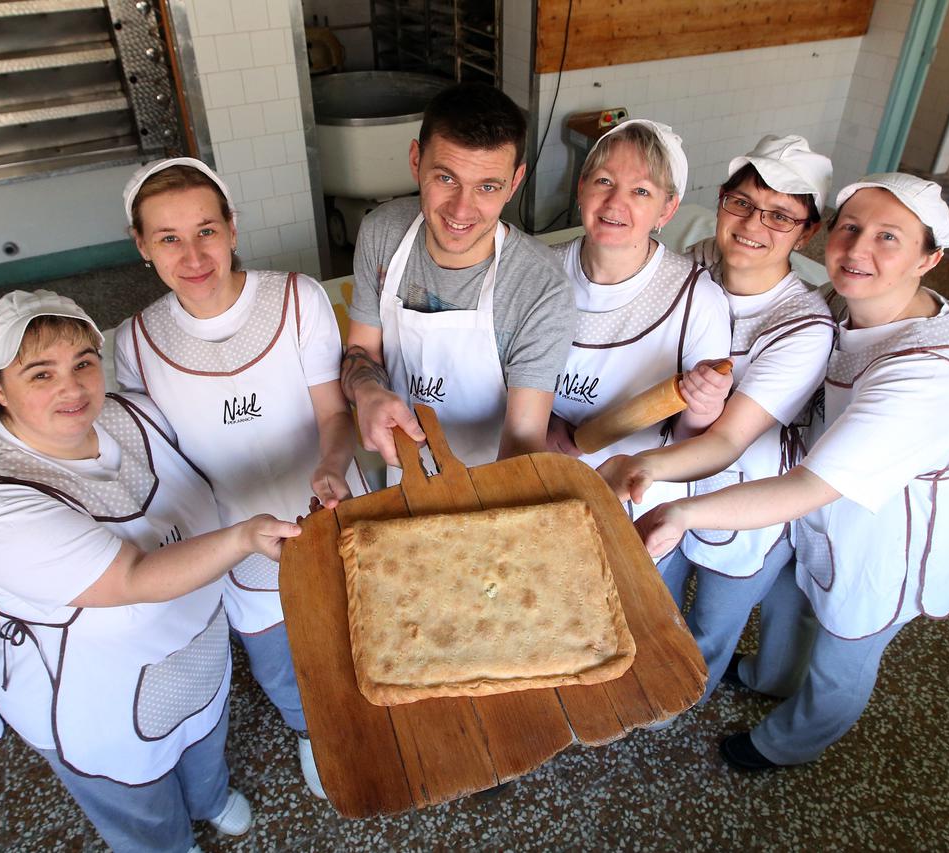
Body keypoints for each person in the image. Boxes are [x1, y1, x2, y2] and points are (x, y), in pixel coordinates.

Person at [631, 173, 949, 770]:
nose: (858, 249)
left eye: (888, 237)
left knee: (841, 659)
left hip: (880, 542)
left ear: (930, 259)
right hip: (815, 514)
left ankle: (785, 744)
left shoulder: (928, 375)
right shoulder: (842, 304)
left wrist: (681, 511)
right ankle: (767, 676)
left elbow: (806, 487)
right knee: (789, 607)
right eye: (851, 228)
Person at [0, 290, 300, 852]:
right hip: (99, 699)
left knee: (205, 736)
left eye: (83, 363)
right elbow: (133, 577)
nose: (72, 388)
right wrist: (243, 537)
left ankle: (209, 799)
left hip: (198, 651)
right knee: (139, 799)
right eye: (41, 374)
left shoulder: (132, 415)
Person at [113, 157, 359, 798]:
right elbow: (162, 463)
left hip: (328, 504)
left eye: (206, 231)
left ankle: (367, 708)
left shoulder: (296, 298)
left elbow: (334, 414)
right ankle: (312, 731)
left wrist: (331, 465)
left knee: (354, 623)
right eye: (168, 238)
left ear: (232, 227)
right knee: (276, 659)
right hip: (233, 537)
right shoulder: (136, 342)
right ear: (142, 246)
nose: (193, 255)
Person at [599, 134, 836, 703]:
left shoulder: (804, 326)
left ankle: (685, 697)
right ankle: (643, 685)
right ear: (722, 201)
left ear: (807, 232)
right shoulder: (697, 261)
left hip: (743, 499)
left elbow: (729, 439)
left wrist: (637, 465)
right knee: (651, 598)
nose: (753, 225)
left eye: (780, 215)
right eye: (741, 203)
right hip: (664, 478)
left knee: (712, 620)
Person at [341, 81, 576, 471]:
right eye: (446, 179)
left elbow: (522, 441)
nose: (461, 210)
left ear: (514, 183)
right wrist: (367, 392)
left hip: (493, 480)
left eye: (487, 187)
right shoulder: (382, 233)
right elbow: (362, 351)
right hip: (404, 471)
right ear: (416, 161)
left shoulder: (540, 288)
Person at [544, 119, 731, 517]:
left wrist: (704, 406)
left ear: (668, 209)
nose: (615, 203)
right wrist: (542, 421)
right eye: (604, 181)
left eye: (641, 191)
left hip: (633, 499)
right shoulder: (539, 270)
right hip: (538, 474)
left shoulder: (696, 300)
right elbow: (495, 374)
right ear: (581, 188)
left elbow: (692, 439)